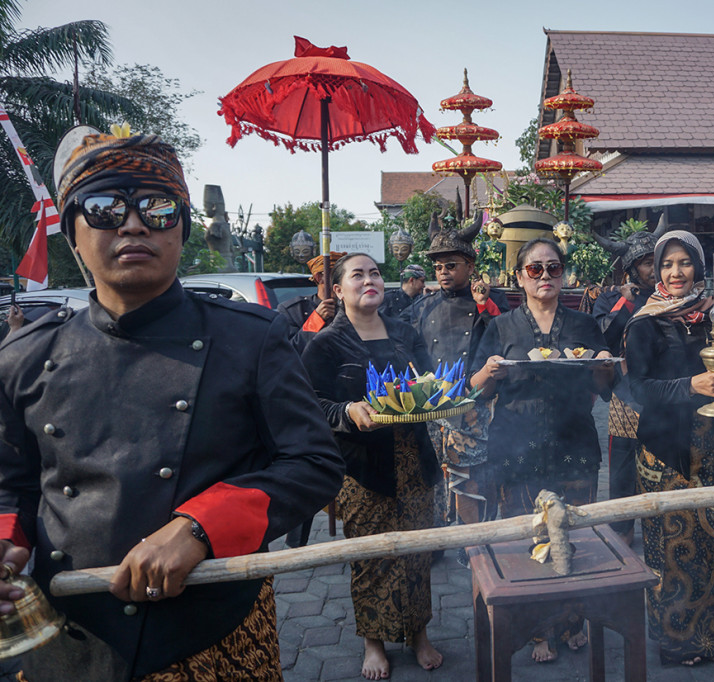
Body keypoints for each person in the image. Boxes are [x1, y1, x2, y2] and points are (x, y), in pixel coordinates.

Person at [0, 129, 344, 680]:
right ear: (73, 233)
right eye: (106, 208)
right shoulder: (24, 354)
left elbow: (314, 462)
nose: (134, 224)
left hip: (213, 632)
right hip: (69, 635)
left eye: (158, 209)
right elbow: (10, 485)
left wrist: (198, 529)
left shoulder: (250, 338)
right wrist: (6, 544)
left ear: (182, 229)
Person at [301, 253, 443, 681]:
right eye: (358, 275)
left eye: (375, 273)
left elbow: (430, 382)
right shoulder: (326, 343)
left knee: (417, 552)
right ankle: (373, 642)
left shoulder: (405, 331)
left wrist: (443, 396)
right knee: (371, 556)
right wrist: (347, 410)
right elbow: (309, 403)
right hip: (362, 468)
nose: (369, 280)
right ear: (338, 289)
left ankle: (419, 634)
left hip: (414, 460)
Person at [471, 238, 613, 663]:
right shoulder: (500, 327)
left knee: (575, 535)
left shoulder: (584, 325)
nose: (545, 276)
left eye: (553, 268)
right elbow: (474, 390)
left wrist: (604, 366)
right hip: (517, 444)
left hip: (573, 442)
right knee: (527, 535)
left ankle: (572, 620)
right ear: (519, 277)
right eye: (535, 269)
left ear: (563, 274)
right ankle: (536, 629)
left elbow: (605, 387)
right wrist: (489, 372)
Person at [622, 230, 714, 666]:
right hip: (664, 452)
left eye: (684, 262)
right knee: (669, 550)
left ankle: (713, 639)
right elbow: (637, 388)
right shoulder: (645, 321)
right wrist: (690, 386)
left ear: (697, 266)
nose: (675, 272)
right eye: (667, 264)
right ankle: (676, 642)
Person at [405, 212, 508, 537]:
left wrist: (484, 306)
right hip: (431, 407)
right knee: (432, 478)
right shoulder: (423, 306)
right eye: (438, 267)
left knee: (470, 481)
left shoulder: (491, 302)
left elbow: (503, 338)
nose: (443, 272)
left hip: (473, 406)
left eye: (451, 265)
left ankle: (474, 544)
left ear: (470, 266)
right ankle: (436, 540)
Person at [591, 214, 669, 543]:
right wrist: (626, 302)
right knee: (622, 467)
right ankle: (622, 529)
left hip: (665, 395)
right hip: (625, 397)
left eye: (657, 261)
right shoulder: (610, 298)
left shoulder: (671, 297)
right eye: (648, 263)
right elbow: (601, 339)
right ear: (632, 268)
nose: (655, 269)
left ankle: (663, 524)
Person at [276, 250, 346, 353]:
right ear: (319, 277)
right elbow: (290, 351)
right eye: (338, 275)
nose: (343, 280)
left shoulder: (354, 307)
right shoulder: (293, 311)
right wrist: (316, 320)